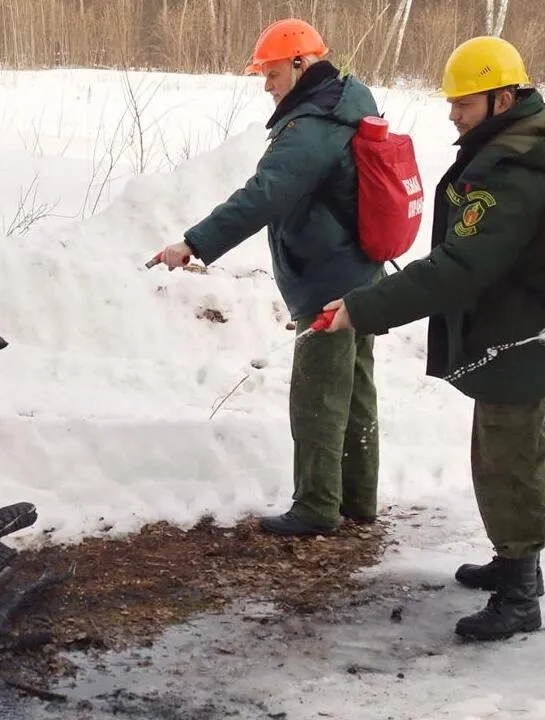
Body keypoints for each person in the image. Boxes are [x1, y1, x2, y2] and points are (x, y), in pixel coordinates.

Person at [321, 36, 545, 641]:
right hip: (519, 335)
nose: (453, 114)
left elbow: (459, 267)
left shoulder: (514, 171)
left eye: (464, 103)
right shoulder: (518, 148)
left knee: (510, 464)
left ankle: (521, 591)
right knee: (505, 455)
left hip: (519, 339)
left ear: (502, 98)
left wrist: (364, 307)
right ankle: (511, 561)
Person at [158, 18, 385, 536]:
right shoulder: (346, 104)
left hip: (329, 278)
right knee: (355, 387)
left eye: (273, 72)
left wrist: (193, 243)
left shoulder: (313, 127)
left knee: (320, 395)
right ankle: (357, 498)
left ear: (302, 64)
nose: (267, 84)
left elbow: (263, 195)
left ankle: (317, 507)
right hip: (360, 268)